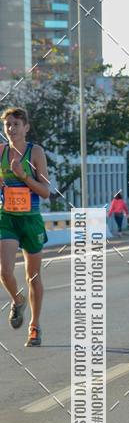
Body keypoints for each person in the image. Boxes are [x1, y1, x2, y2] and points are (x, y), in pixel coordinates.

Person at [0, 107, 50, 347]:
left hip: (31, 220)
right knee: (5, 271)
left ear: (26, 127)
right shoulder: (0, 152)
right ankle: (17, 300)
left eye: (16, 124)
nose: (11, 129)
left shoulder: (35, 152)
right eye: (7, 124)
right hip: (7, 219)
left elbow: (46, 191)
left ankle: (35, 326)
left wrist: (23, 177)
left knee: (33, 276)